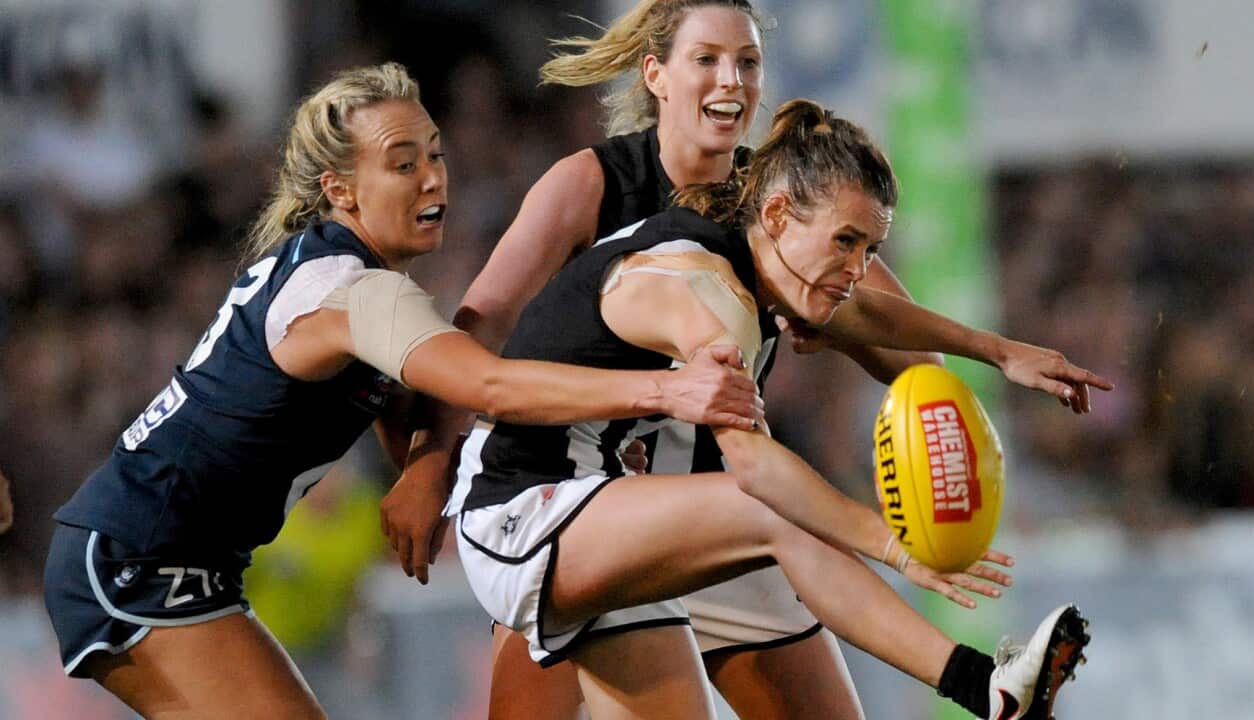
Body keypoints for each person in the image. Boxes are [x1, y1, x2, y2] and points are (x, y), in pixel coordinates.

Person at [381, 2, 1106, 718]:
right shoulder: (646, 223)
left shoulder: (768, 212)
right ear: (656, 74)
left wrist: (996, 350)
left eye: (749, 61)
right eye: (708, 59)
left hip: (695, 512)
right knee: (775, 509)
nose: (731, 79)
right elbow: (480, 333)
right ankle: (987, 690)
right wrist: (426, 461)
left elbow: (871, 315)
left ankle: (991, 692)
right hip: (554, 503)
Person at [39, 62, 764, 720]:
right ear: (340, 189)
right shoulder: (354, 293)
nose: (432, 179)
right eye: (402, 163)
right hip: (135, 559)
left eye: (436, 155)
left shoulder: (336, 275)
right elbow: (490, 383)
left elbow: (418, 405)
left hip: (161, 558)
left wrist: (426, 465)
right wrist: (667, 395)